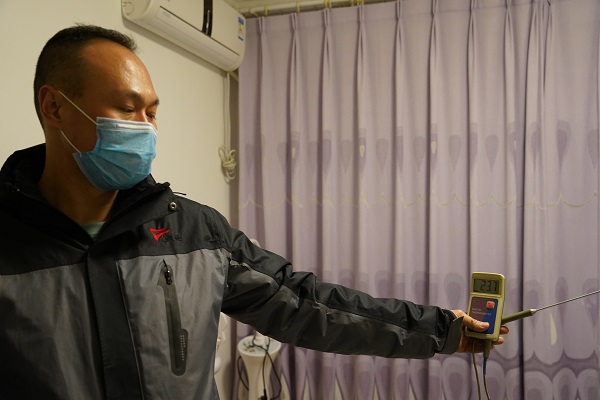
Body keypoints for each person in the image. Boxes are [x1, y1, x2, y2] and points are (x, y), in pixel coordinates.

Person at [0, 24, 508, 399]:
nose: (147, 128)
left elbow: (307, 304)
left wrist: (439, 328)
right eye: (128, 109)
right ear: (55, 107)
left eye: (152, 112)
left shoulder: (192, 231)